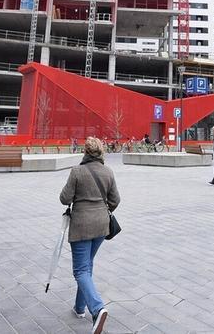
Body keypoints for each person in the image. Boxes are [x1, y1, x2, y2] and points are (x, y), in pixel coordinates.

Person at [59, 136, 118, 334]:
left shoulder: (77, 171)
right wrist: (103, 209)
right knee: (87, 266)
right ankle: (79, 308)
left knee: (81, 270)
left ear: (85, 151)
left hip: (82, 226)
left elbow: (64, 198)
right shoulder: (108, 172)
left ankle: (97, 308)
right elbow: (115, 199)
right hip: (101, 227)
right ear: (101, 152)